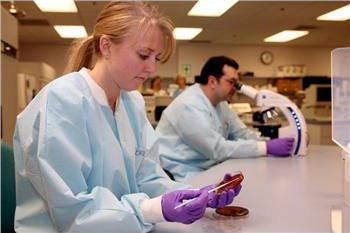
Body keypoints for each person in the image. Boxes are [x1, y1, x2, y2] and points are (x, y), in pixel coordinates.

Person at [13, 3, 241, 233]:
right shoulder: (62, 102)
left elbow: (147, 177)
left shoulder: (132, 103)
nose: (152, 68)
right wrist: (154, 210)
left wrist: (194, 195)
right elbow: (74, 212)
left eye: (156, 57)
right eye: (143, 55)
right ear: (106, 46)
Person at [156, 56, 295, 181]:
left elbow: (242, 133)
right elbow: (217, 149)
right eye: (232, 82)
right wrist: (266, 147)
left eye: (237, 84)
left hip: (207, 167)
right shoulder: (188, 105)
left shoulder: (221, 104)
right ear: (212, 81)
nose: (236, 88)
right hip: (182, 174)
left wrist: (270, 141)